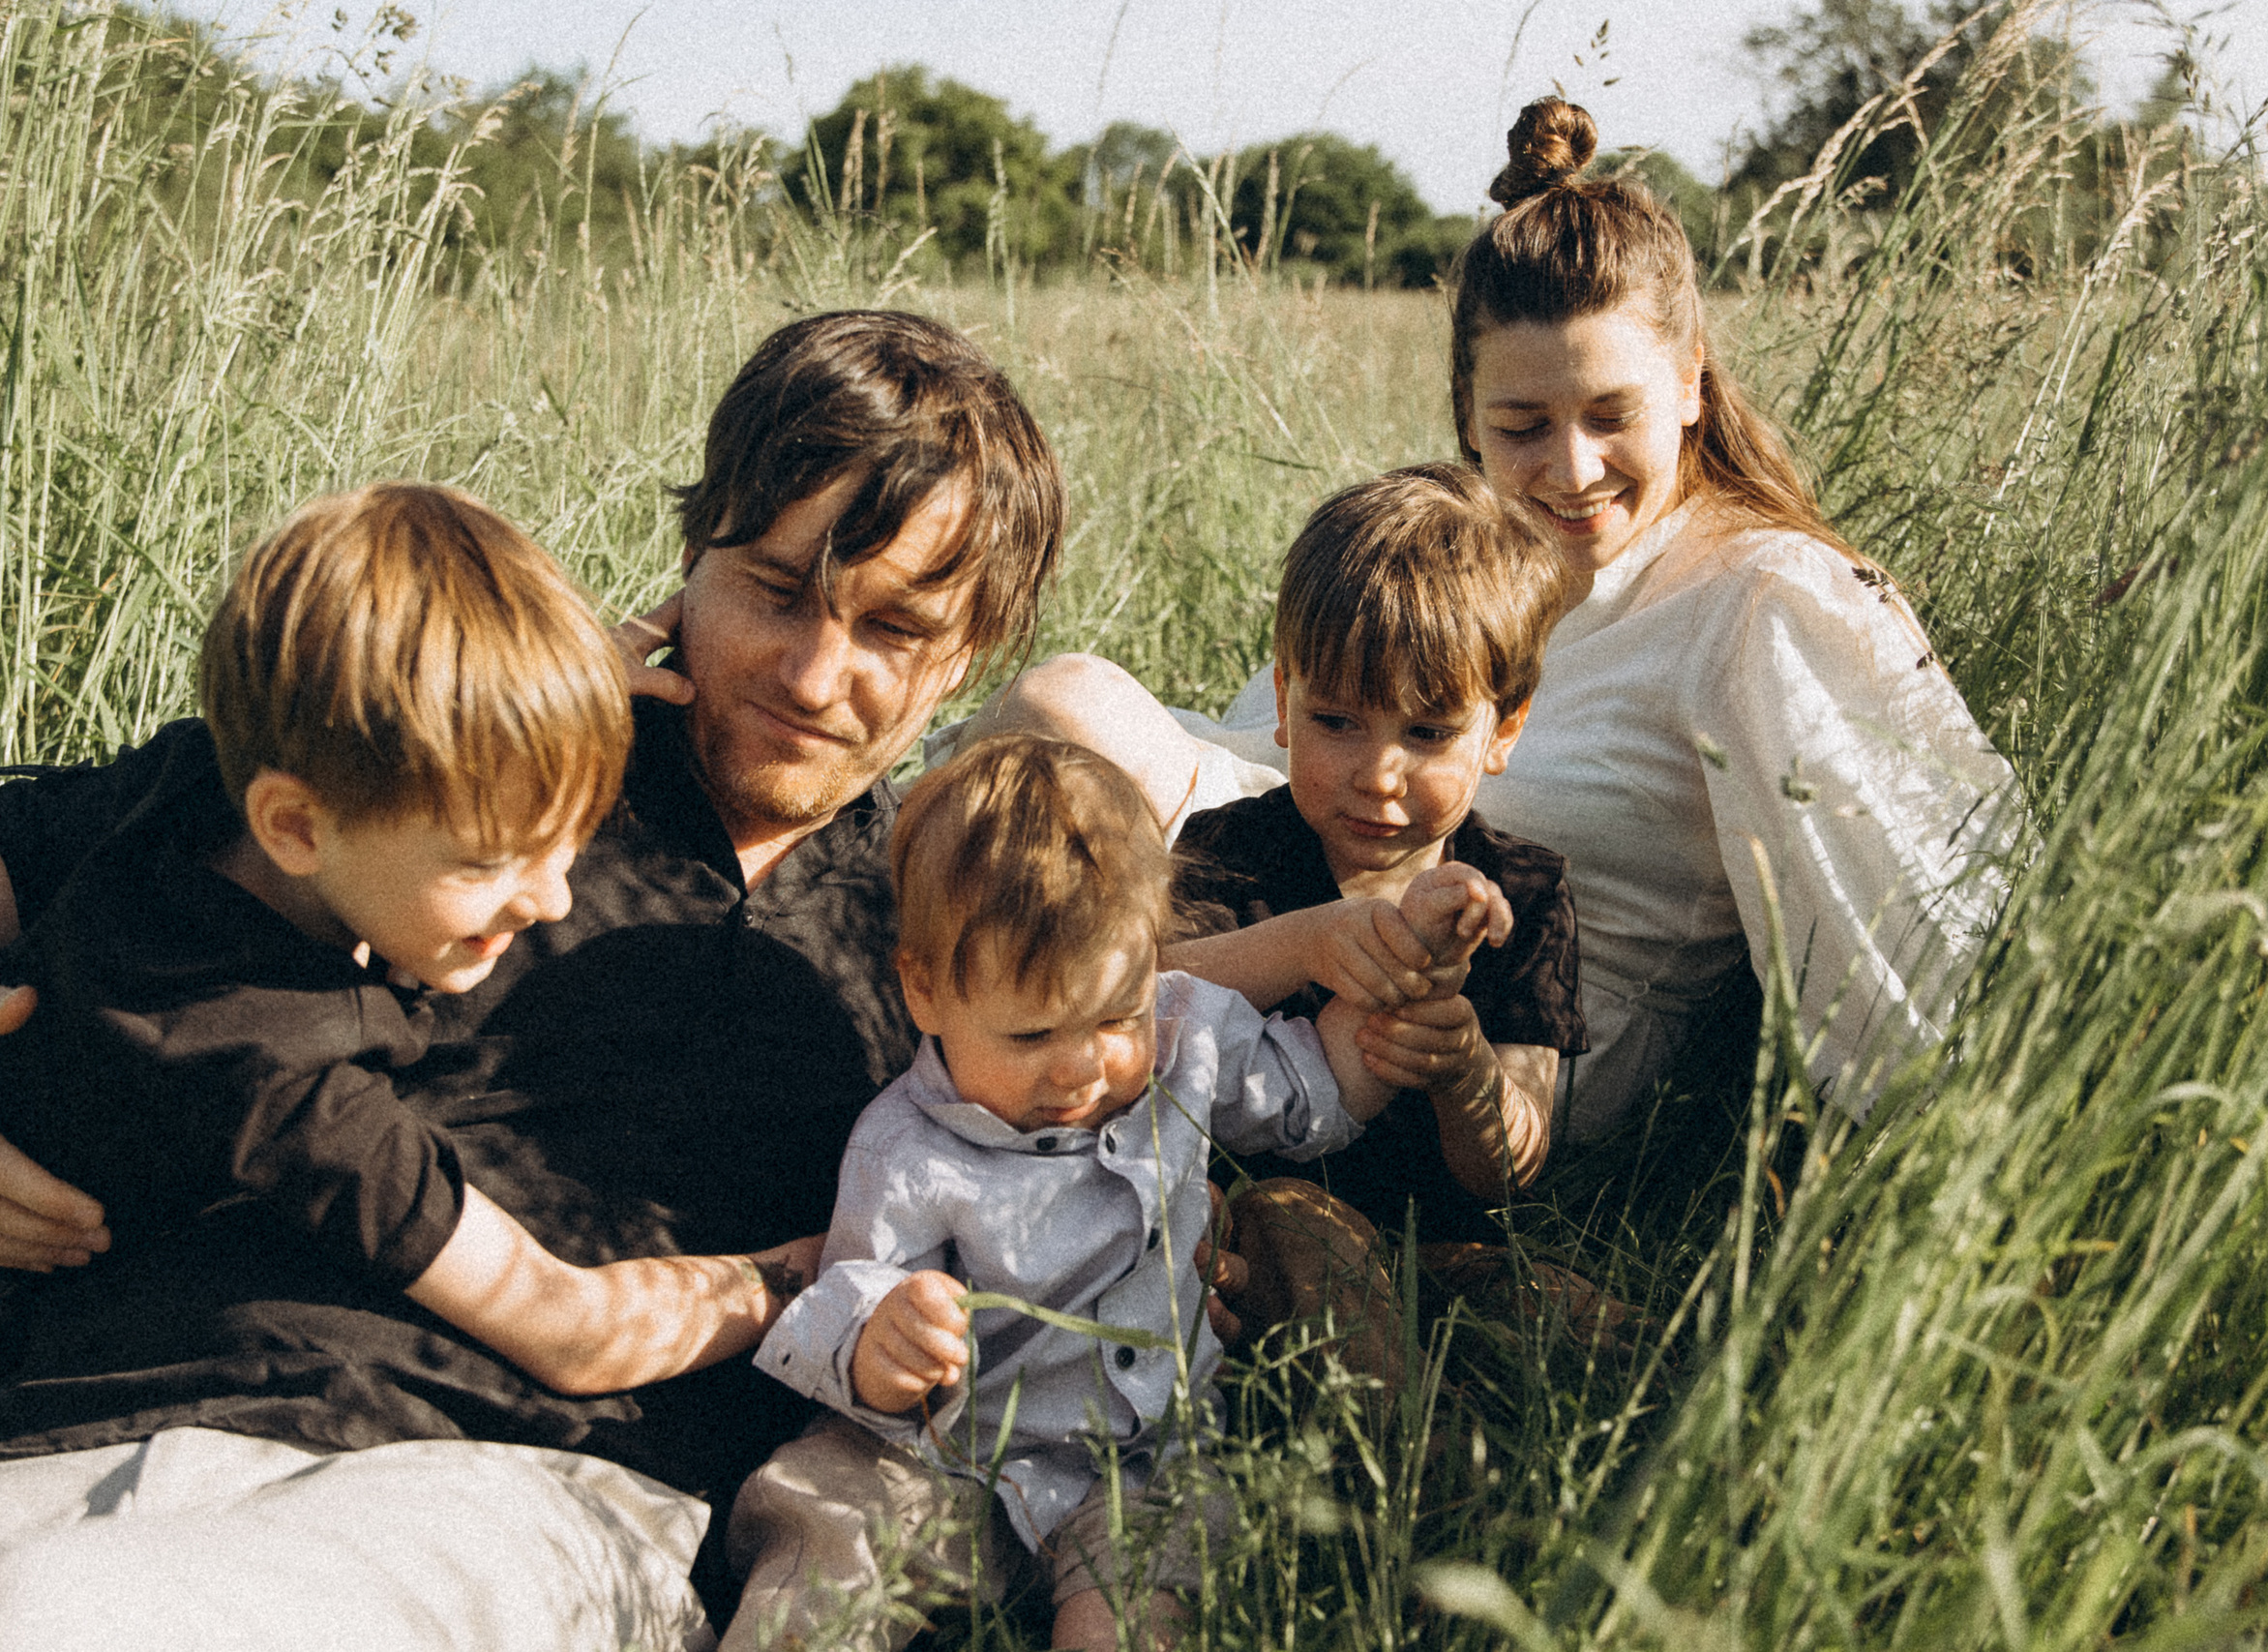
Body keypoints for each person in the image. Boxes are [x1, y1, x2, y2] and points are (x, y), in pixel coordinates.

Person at [0, 311, 1066, 1646]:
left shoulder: (946, 934)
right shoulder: (493, 727)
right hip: (73, 1432)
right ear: (694, 550)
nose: (812, 673)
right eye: (775, 588)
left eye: (894, 628)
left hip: (505, 1498)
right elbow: (22, 844)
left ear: (969, 653)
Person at [984, 99, 2017, 1142]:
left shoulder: (1766, 597)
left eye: (1611, 416)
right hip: (1284, 898)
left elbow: (1904, 910)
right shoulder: (1476, 552)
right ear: (1468, 414)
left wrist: (1960, 1127)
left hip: (1488, 1022)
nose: (1571, 469)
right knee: (1048, 728)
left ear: (1690, 384)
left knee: (1065, 719)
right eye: (1521, 425)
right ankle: (926, 1058)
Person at [723, 736, 1489, 1652]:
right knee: (830, 1516)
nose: (1082, 1067)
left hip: (1141, 1461)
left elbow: (1313, 1093)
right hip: (945, 1459)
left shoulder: (1181, 1037)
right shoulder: (909, 1147)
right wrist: (882, 1341)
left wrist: (1410, 953)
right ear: (924, 991)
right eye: (1033, 1034)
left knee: (1153, 1578)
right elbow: (856, 1286)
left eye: (1117, 1015)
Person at [1165, 463, 1587, 1246]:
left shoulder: (1520, 897)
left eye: (1427, 733)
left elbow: (1509, 1171)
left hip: (1440, 1246)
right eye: (1336, 721)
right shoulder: (1229, 849)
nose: (1379, 775)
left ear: (1503, 731)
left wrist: (1463, 1070)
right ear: (1283, 702)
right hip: (1242, 1228)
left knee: (1569, 1309)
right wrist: (1304, 944)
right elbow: (1132, 1003)